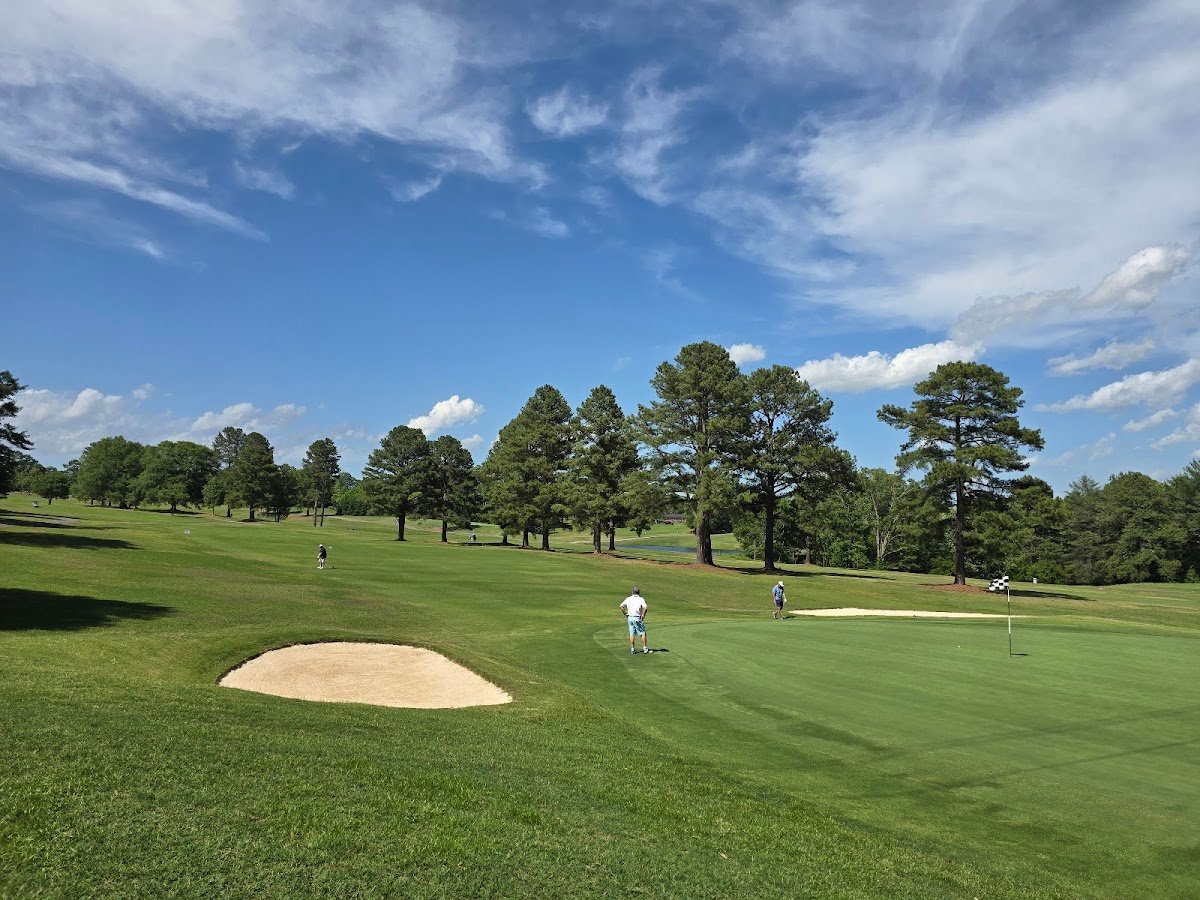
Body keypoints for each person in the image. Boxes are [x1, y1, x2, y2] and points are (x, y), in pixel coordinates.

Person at [620, 587, 649, 654]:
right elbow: (645, 608)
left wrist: (625, 613)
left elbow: (621, 606)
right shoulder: (641, 599)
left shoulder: (628, 598)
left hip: (630, 618)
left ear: (632, 592)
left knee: (632, 633)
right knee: (642, 632)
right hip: (637, 617)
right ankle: (645, 648)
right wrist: (643, 615)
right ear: (638, 592)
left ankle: (632, 649)